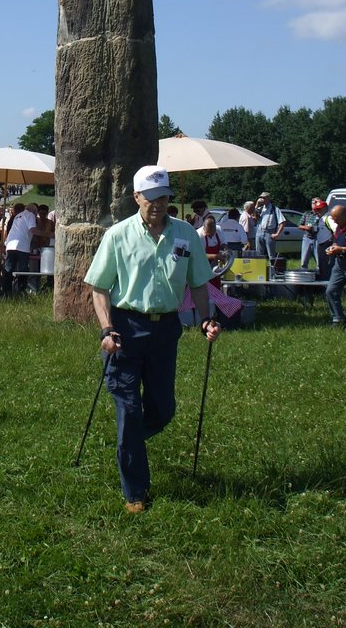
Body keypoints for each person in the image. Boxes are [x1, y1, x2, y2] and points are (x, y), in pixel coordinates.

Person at [86, 165, 221, 514]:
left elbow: (198, 284)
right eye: (151, 198)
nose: (158, 204)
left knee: (162, 410)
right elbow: (99, 286)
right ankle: (135, 492)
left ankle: (127, 444)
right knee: (129, 411)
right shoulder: (117, 235)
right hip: (125, 331)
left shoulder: (186, 234)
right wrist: (105, 329)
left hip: (165, 331)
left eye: (163, 197)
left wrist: (206, 318)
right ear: (136, 198)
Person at [2, 202, 40, 296]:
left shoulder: (18, 216)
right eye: (36, 213)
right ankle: (21, 291)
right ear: (34, 211)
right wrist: (47, 234)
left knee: (9, 269)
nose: (36, 215)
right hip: (22, 247)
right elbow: (33, 230)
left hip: (10, 245)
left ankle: (6, 292)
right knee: (23, 270)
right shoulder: (30, 214)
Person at [254, 192, 285, 261]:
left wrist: (277, 234)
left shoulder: (275, 209)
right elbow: (254, 218)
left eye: (264, 198)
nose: (262, 199)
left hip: (269, 232)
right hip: (259, 231)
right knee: (259, 254)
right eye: (261, 197)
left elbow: (282, 222)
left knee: (271, 254)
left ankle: (273, 269)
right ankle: (260, 269)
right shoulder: (260, 208)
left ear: (268, 198)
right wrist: (256, 205)